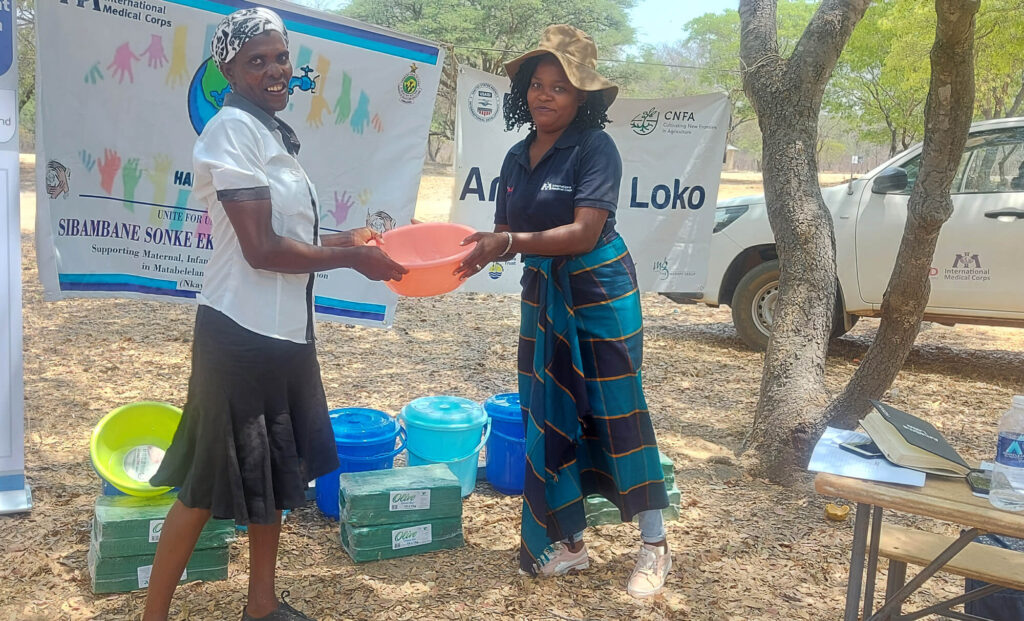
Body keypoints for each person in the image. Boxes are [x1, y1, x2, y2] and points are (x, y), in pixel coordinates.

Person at [142, 8, 406, 621]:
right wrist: (350, 263)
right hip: (237, 334)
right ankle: (152, 616)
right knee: (206, 483)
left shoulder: (271, 136)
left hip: (287, 332)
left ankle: (261, 605)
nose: (273, 70)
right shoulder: (230, 133)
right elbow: (261, 250)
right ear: (228, 71)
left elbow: (289, 233)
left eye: (280, 57)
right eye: (255, 60)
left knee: (273, 471)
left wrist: (346, 241)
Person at [454, 24, 672, 599]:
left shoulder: (596, 149)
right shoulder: (515, 155)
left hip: (598, 289)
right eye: (536, 84)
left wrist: (509, 244)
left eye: (560, 87)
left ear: (583, 99)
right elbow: (506, 232)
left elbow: (582, 232)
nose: (544, 96)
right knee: (549, 410)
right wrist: (468, 257)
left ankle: (654, 545)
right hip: (544, 291)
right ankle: (572, 542)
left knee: (617, 409)